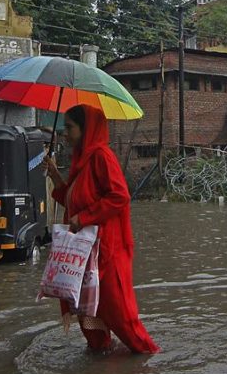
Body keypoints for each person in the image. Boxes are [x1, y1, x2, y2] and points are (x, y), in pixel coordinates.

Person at [42, 104, 160, 354]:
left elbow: (119, 196)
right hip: (84, 255)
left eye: (70, 127)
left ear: (86, 130)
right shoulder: (81, 161)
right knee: (87, 312)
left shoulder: (101, 157)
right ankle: (101, 352)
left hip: (107, 252)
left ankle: (146, 354)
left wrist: (84, 217)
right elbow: (74, 201)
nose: (65, 133)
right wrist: (55, 176)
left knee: (119, 313)